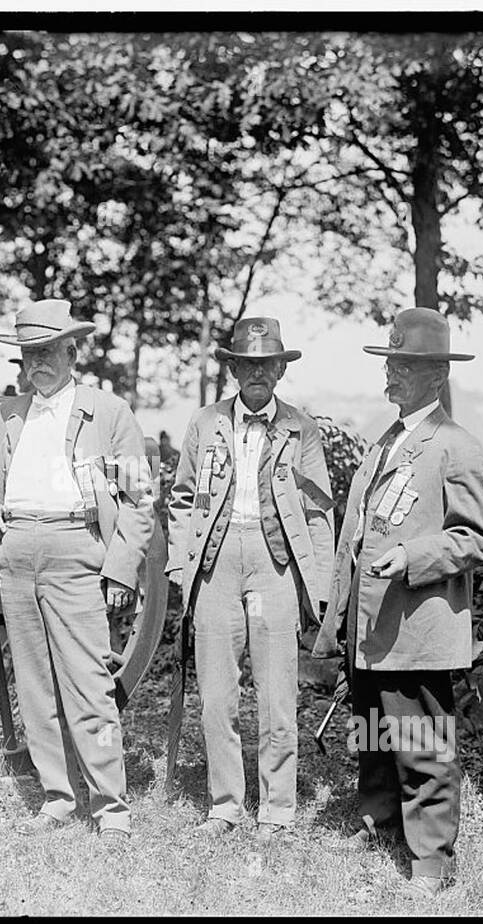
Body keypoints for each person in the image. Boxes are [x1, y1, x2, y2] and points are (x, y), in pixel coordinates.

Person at [314, 307, 483, 898]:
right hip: (368, 625)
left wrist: (415, 557)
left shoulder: (456, 446)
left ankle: (431, 864)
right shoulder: (388, 441)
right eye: (388, 363)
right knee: (372, 731)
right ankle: (380, 825)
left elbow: (476, 538)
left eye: (400, 366)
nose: (388, 375)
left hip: (414, 623)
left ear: (435, 375)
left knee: (422, 745)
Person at [0, 299, 154, 843]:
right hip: (16, 551)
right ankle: (56, 798)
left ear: (73, 351)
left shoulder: (109, 413)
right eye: (29, 354)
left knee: (90, 682)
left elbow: (141, 498)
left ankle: (112, 808)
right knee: (35, 685)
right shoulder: (8, 415)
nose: (37, 363)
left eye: (47, 351)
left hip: (77, 550)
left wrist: (121, 569)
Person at [166, 317, 334, 840]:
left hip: (274, 561)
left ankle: (277, 809)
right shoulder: (205, 423)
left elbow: (317, 509)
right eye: (248, 364)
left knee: (277, 689)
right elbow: (180, 498)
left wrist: (322, 586)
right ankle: (225, 805)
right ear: (234, 369)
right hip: (216, 561)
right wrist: (180, 564)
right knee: (217, 693)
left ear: (281, 371)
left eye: (267, 365)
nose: (257, 373)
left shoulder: (300, 429)